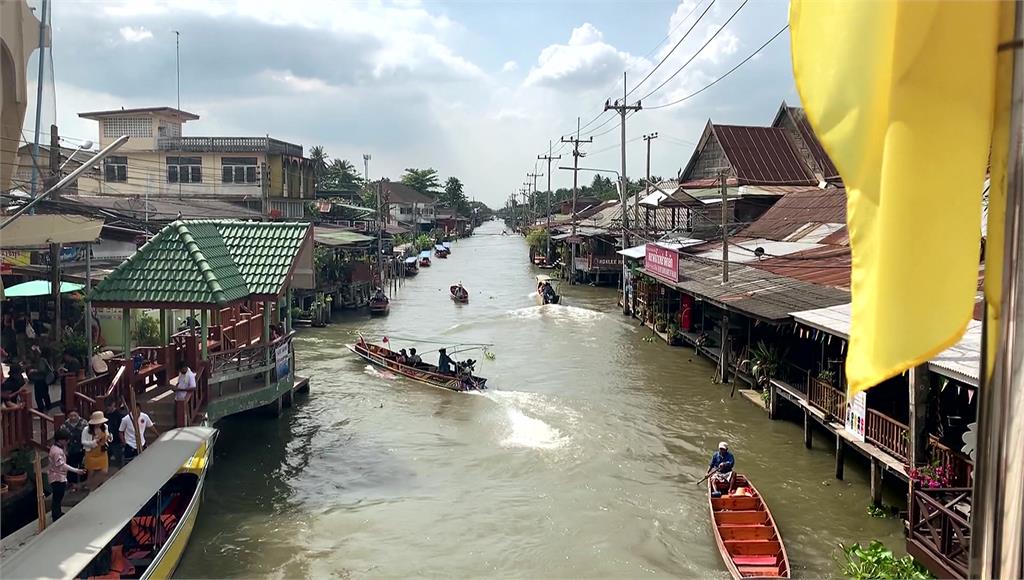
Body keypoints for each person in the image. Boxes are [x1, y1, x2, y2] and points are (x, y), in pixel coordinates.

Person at [48, 430, 86, 521]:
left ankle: (57, 512)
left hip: (59, 475)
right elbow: (62, 465)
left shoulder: (57, 448)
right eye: (66, 440)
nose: (67, 442)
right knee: (57, 496)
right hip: (57, 477)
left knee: (59, 496)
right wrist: (76, 470)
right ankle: (56, 515)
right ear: (61, 440)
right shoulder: (56, 451)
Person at [82, 411, 112, 491]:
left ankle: (96, 485)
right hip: (91, 452)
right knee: (91, 472)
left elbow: (108, 436)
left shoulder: (105, 427)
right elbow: (83, 441)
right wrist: (94, 442)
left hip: (102, 451)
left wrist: (109, 438)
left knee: (104, 471)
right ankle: (91, 487)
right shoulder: (86, 430)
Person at [60, 409, 88, 489]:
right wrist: (64, 450)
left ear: (78, 415)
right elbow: (62, 438)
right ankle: (72, 484)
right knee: (72, 467)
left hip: (82, 447)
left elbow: (88, 435)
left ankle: (84, 483)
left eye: (75, 415)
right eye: (71, 416)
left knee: (84, 465)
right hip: (71, 449)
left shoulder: (84, 423)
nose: (73, 417)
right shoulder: (64, 425)